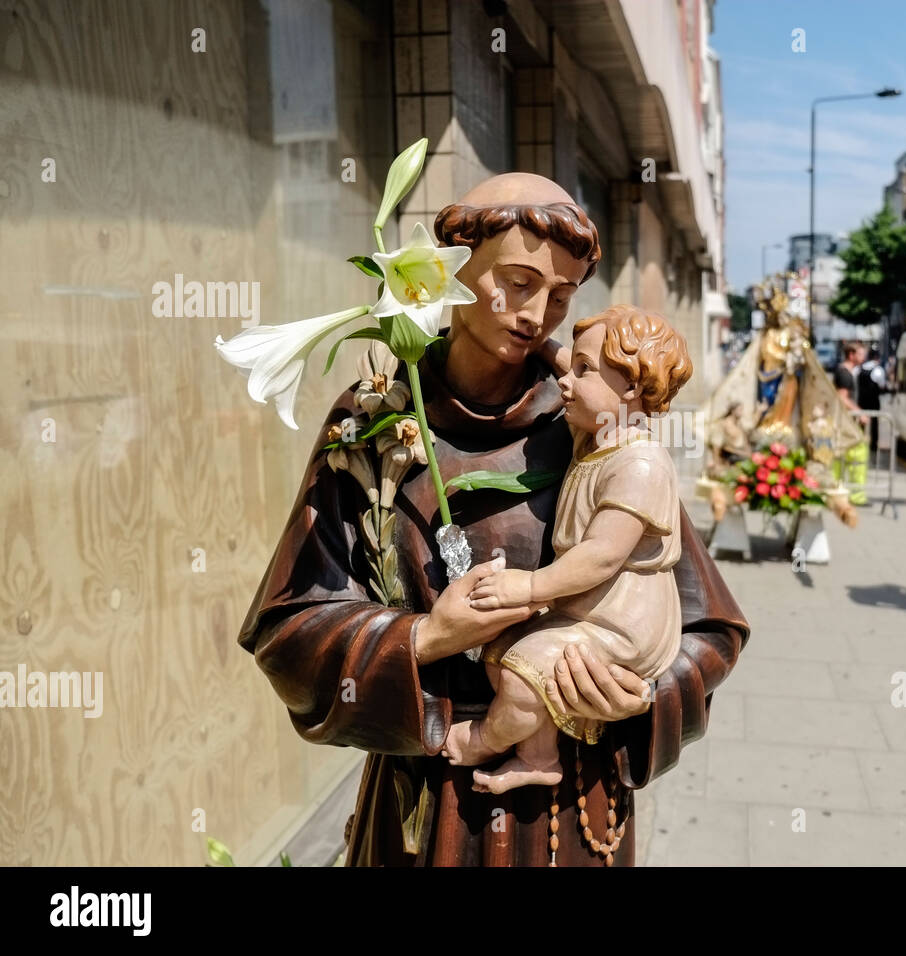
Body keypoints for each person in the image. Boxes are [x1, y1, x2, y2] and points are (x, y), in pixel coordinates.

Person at [236, 172, 748, 866]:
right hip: (426, 804)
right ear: (454, 265)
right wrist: (422, 639)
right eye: (515, 281)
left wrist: (638, 692)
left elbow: (707, 625)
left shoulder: (599, 428)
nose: (537, 314)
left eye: (562, 296)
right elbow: (290, 626)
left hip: (568, 809)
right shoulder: (378, 421)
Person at [444, 306, 692, 794]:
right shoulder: (596, 434)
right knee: (499, 653)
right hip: (585, 606)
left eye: (584, 371)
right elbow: (573, 368)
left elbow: (600, 555)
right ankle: (539, 755)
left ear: (633, 390)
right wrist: (537, 340)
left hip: (622, 620)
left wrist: (530, 586)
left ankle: (483, 738)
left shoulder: (638, 463)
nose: (567, 382)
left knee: (521, 676)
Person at [856, 345, 890, 453]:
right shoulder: (878, 370)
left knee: (861, 422)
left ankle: (859, 442)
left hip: (861, 401)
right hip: (873, 401)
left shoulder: (859, 368)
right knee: (874, 423)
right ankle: (873, 446)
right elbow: (882, 385)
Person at [833, 340, 865, 413]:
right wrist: (860, 413)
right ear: (851, 355)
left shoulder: (846, 371)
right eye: (860, 354)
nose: (863, 358)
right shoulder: (844, 373)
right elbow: (842, 398)